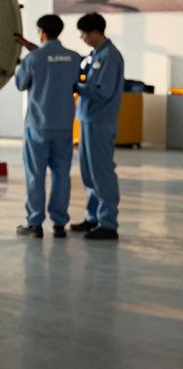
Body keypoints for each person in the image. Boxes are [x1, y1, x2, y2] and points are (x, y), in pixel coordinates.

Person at [12, 15, 81, 238]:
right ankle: (60, 224)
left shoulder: (33, 58)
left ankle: (35, 224)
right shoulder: (73, 58)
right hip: (64, 125)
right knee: (62, 175)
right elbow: (73, 82)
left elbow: (21, 84)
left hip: (38, 125)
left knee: (35, 175)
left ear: (41, 31)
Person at [70, 12, 124, 240]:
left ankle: (108, 223)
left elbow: (102, 91)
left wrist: (76, 86)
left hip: (101, 121)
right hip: (89, 119)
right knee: (88, 173)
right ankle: (93, 217)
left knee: (102, 173)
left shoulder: (110, 56)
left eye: (83, 33)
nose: (82, 38)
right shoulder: (95, 55)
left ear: (95, 32)